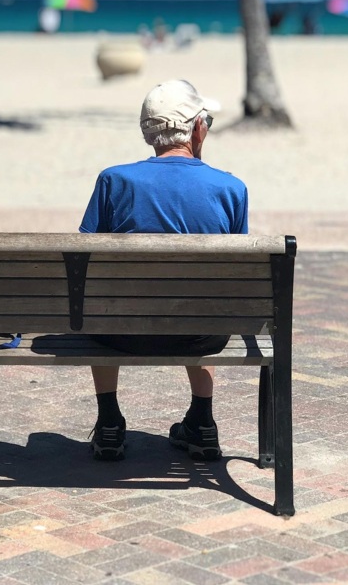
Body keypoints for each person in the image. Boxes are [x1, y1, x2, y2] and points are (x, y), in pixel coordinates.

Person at [78, 79, 248, 463]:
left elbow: (84, 260)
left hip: (121, 334)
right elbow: (234, 277)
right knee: (204, 298)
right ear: (198, 128)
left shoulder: (114, 181)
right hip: (201, 336)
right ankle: (202, 421)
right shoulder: (231, 189)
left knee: (101, 301)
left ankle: (108, 421)